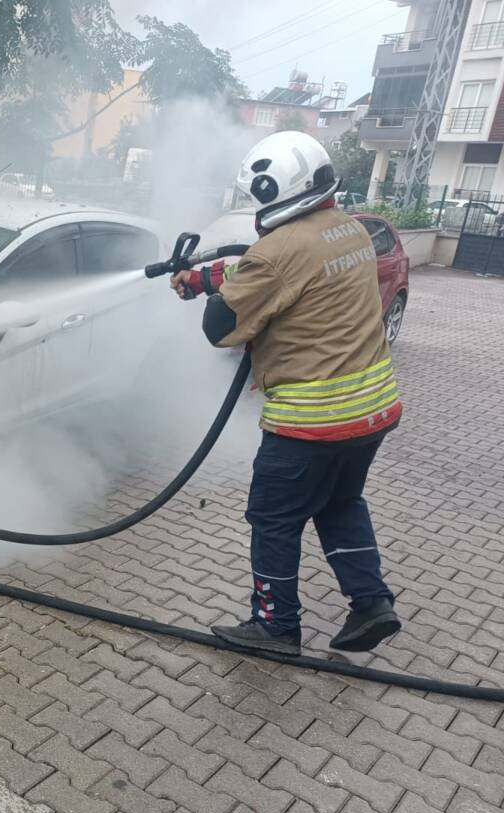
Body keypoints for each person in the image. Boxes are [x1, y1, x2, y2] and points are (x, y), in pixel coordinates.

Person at [171, 131, 402, 656]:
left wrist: (211, 292)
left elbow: (221, 324)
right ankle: (371, 602)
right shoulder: (349, 230)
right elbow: (280, 273)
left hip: (311, 420)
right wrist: (205, 276)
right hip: (373, 411)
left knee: (273, 518)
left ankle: (275, 626)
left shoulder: (276, 251)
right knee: (341, 501)